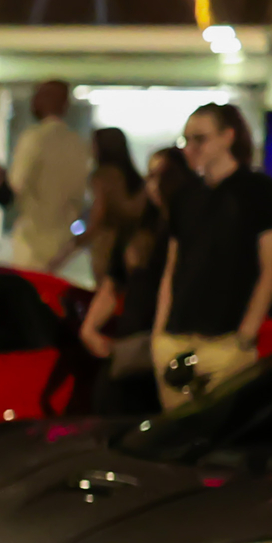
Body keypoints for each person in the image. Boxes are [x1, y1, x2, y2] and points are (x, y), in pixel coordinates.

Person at [155, 101, 272, 409]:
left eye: (200, 138)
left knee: (217, 429)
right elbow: (173, 267)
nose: (191, 148)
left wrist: (246, 335)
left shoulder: (258, 190)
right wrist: (159, 333)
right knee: (174, 434)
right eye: (186, 140)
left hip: (226, 340)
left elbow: (270, 267)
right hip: (176, 337)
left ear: (228, 136)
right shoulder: (185, 195)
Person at [80, 147, 191, 415]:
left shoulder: (190, 231)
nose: (154, 186)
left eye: (162, 177)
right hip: (130, 343)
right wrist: (90, 329)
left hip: (170, 345)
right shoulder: (138, 230)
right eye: (149, 176)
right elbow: (112, 283)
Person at [6, 80, 91, 271]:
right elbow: (81, 194)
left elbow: (16, 185)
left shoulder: (33, 138)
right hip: (65, 245)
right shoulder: (77, 144)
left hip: (31, 241)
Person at [72, 126, 145, 281]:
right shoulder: (133, 178)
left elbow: (99, 214)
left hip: (108, 246)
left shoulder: (102, 176)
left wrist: (77, 241)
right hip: (133, 244)